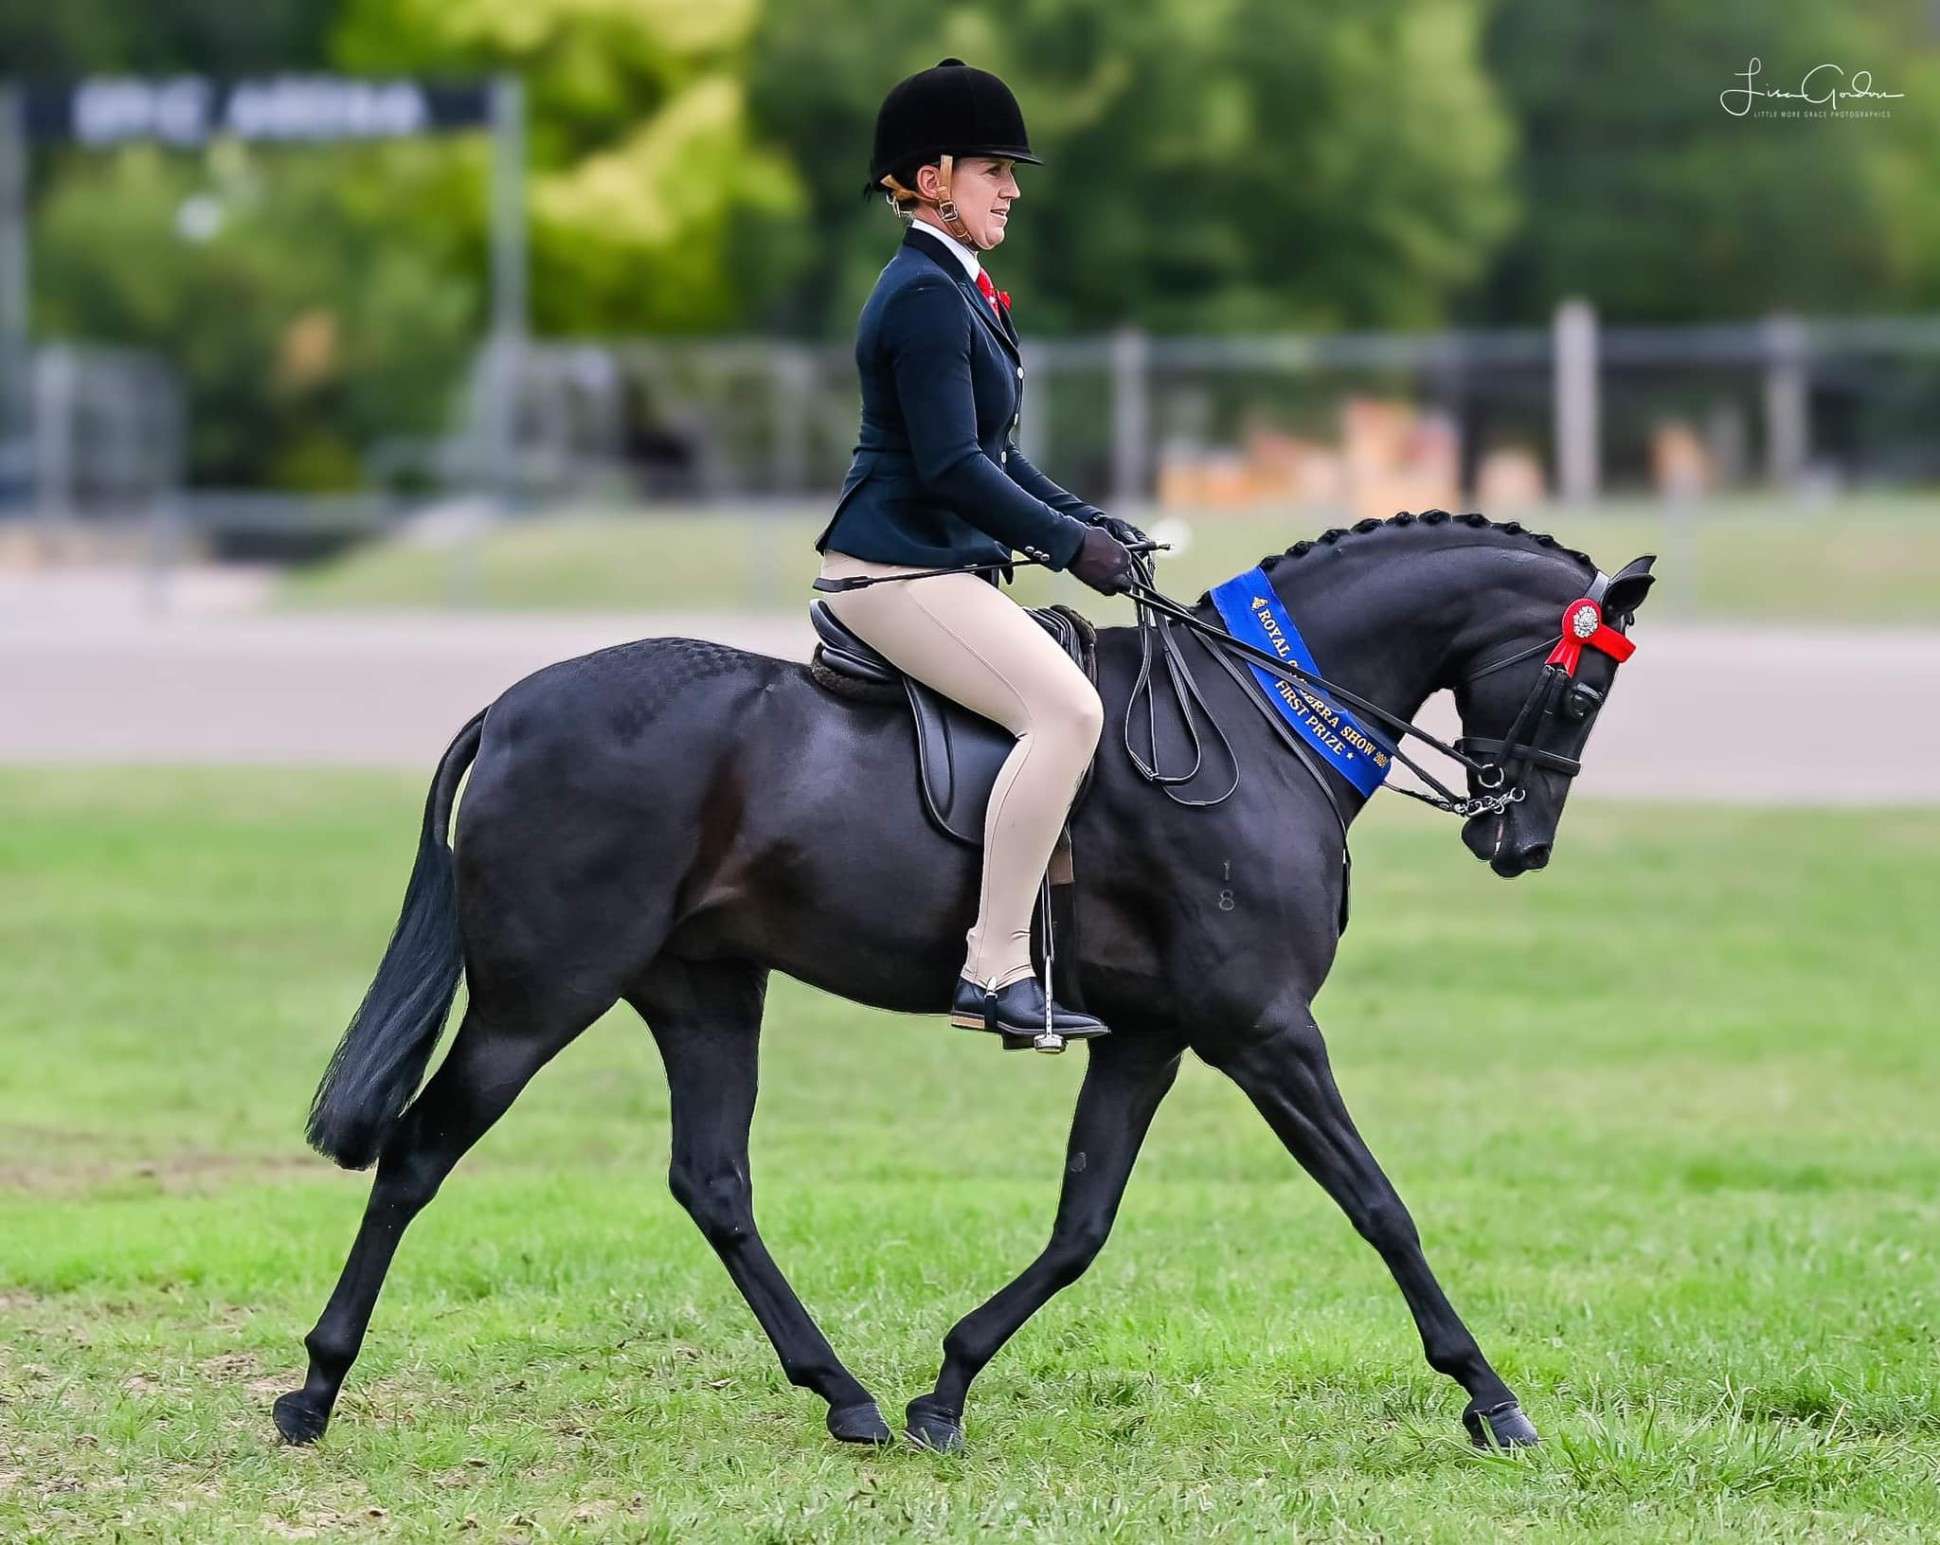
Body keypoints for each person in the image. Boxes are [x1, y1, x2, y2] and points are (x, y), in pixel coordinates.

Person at [812, 58, 1143, 1044]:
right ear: (928, 179)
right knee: (1065, 709)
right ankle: (993, 964)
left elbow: (997, 455)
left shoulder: (958, 290)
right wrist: (1060, 546)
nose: (1010, 189)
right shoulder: (919, 294)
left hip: (937, 566)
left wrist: (1089, 525)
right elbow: (953, 469)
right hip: (895, 571)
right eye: (992, 169)